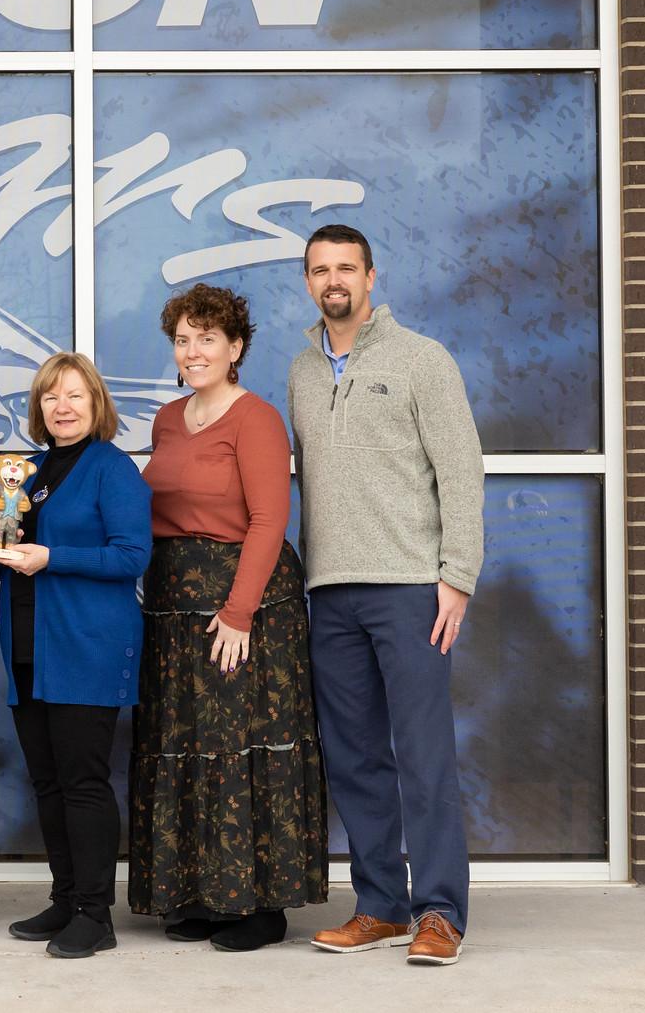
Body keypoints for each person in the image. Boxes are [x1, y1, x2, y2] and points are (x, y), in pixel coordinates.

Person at [292, 224, 483, 967]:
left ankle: (439, 911)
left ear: (370, 276)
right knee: (354, 758)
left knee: (424, 756)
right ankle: (379, 905)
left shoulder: (421, 360)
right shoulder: (303, 371)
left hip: (409, 587)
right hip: (330, 588)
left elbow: (460, 471)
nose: (333, 280)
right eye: (320, 269)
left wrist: (456, 575)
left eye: (346, 267)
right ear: (308, 282)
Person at [132, 283, 328, 952]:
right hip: (174, 609)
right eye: (182, 340)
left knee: (241, 746)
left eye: (207, 338)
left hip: (243, 608)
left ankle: (260, 906)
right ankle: (202, 894)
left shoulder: (256, 419)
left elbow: (269, 519)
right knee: (187, 744)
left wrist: (239, 611)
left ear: (235, 347)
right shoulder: (166, 419)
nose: (193, 351)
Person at [0, 352, 150, 959]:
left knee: (82, 782)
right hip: (30, 648)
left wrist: (52, 557)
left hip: (87, 646)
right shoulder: (26, 472)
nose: (63, 407)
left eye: (75, 395)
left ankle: (95, 915)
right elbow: (1, 565)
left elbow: (132, 556)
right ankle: (65, 897)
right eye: (51, 397)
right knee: (48, 782)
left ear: (96, 403)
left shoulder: (113, 468)